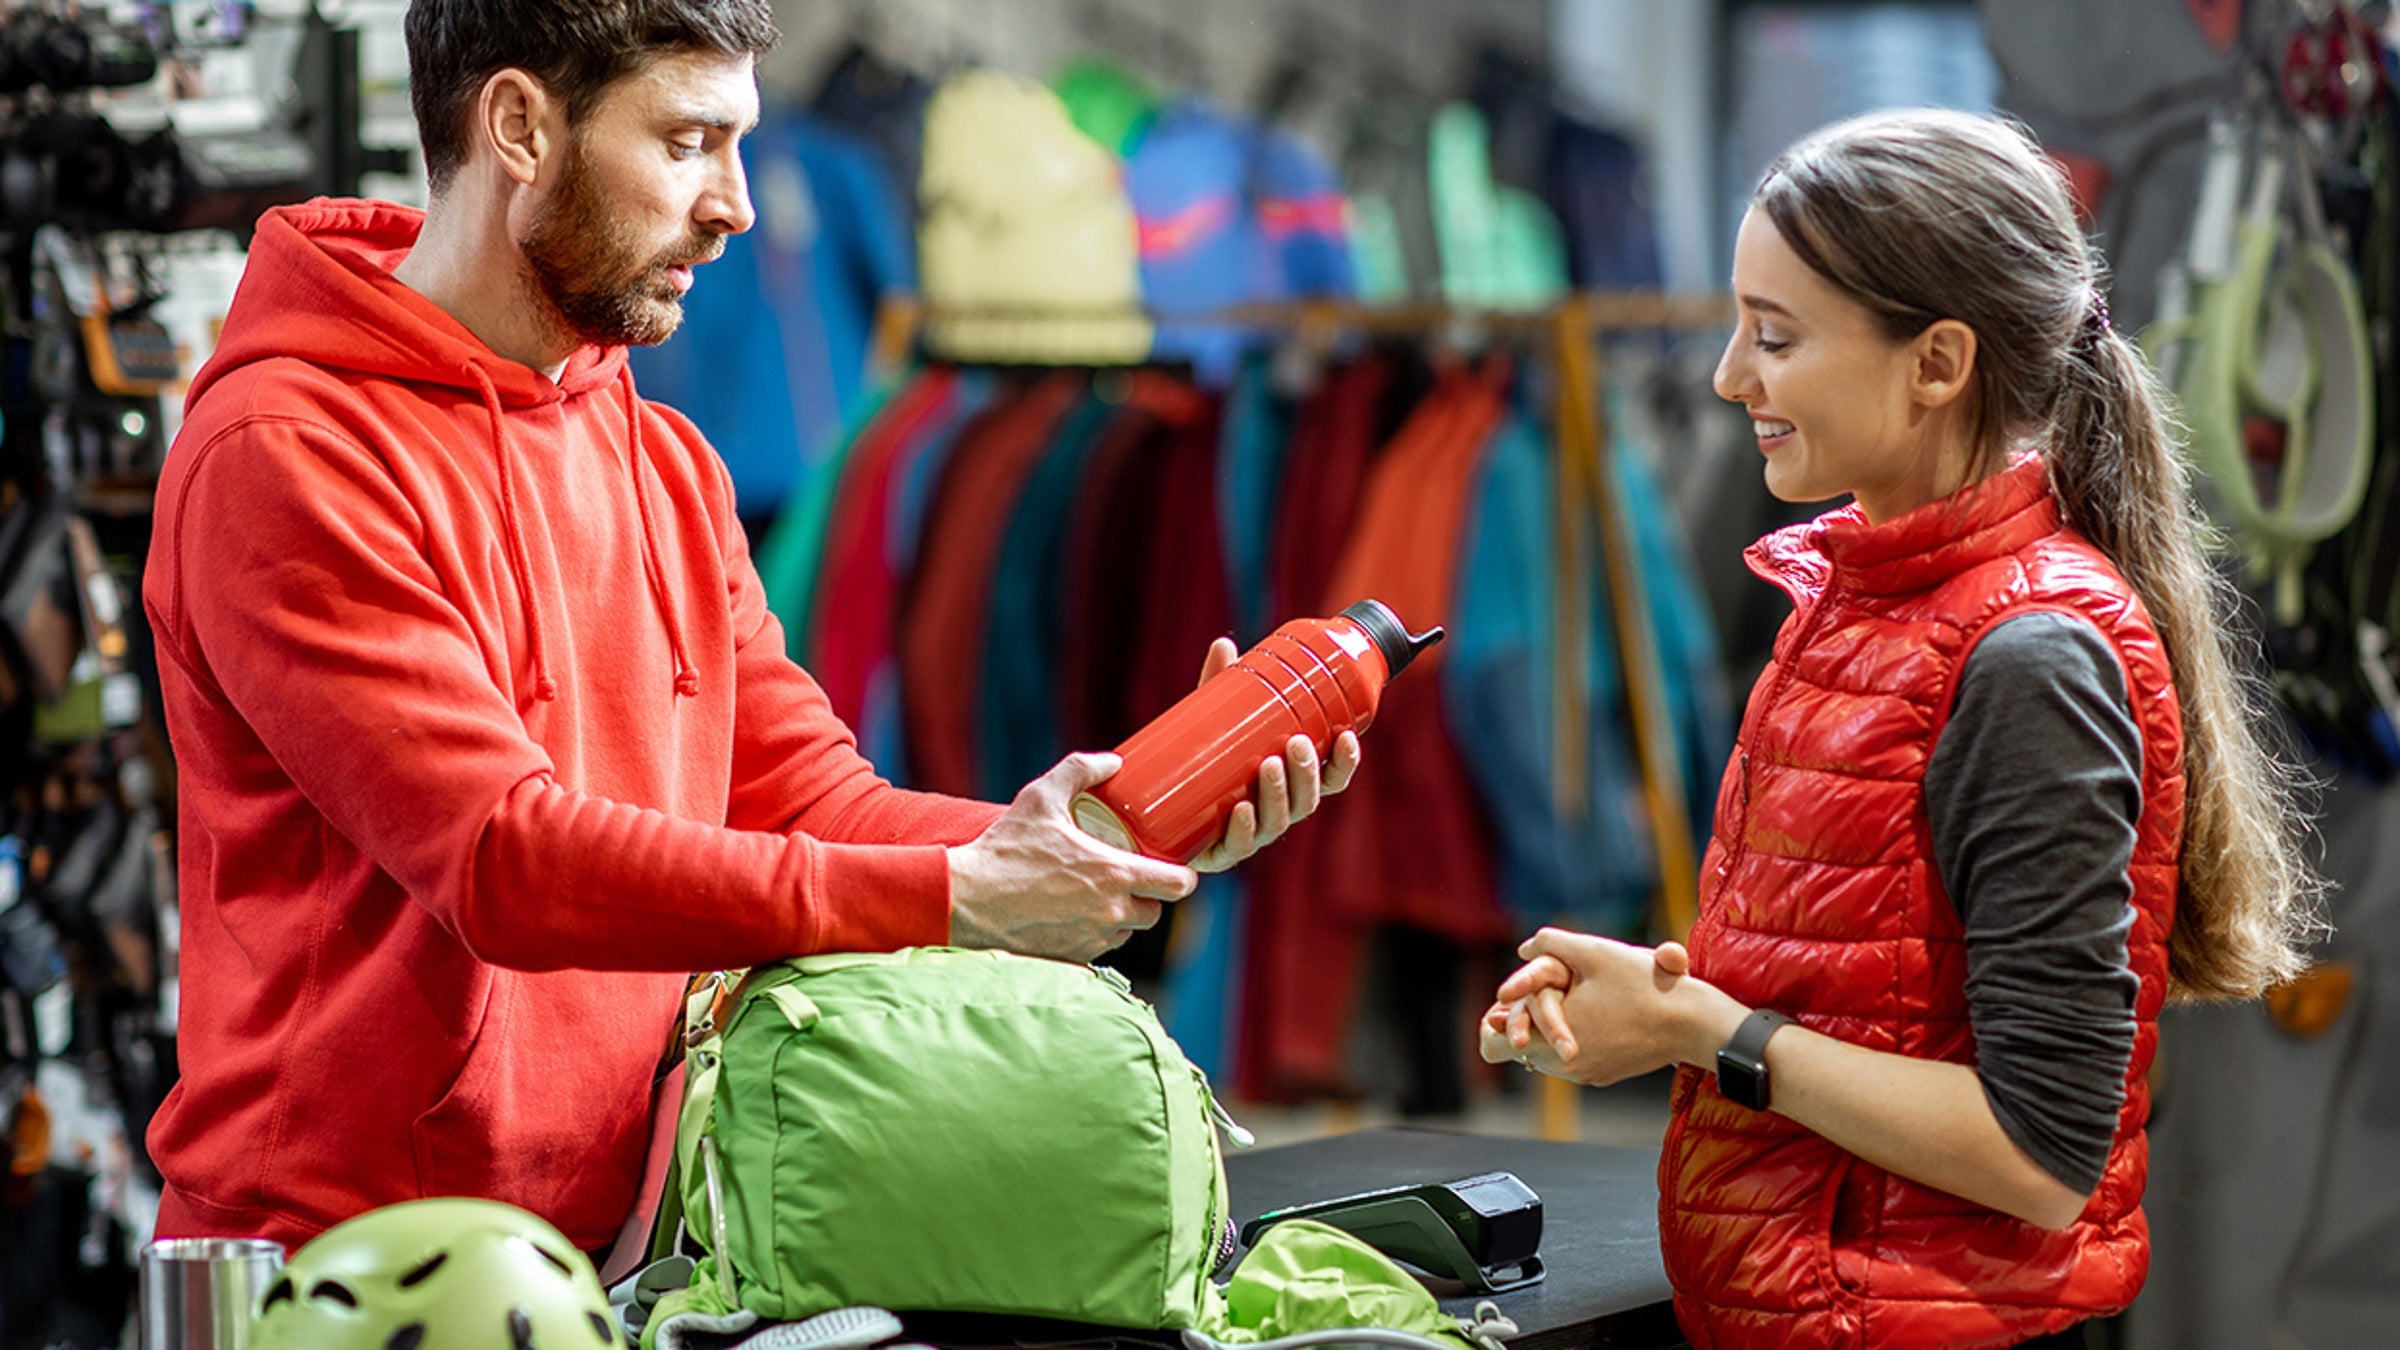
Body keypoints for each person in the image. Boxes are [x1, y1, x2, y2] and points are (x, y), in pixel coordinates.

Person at [141, 0, 1357, 1261]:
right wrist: (966, 896)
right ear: (518, 126)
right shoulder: (286, 455)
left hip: (620, 1250)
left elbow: (814, 803)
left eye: (737, 144)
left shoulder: (662, 461)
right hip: (335, 1269)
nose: (738, 205)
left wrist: (1104, 834)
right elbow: (504, 858)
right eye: (686, 142)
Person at [1482, 109, 2319, 1350]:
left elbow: (2041, 1156)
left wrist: (1704, 1032)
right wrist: (1657, 999)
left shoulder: (2030, 658)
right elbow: (1869, 989)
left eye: (1775, 336)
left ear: (1937, 362)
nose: (1728, 377)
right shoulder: (1858, 602)